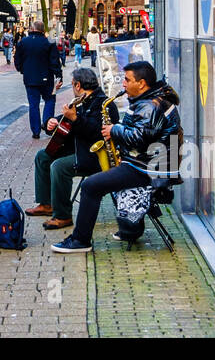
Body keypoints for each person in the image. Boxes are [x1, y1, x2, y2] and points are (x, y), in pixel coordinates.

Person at [53, 61, 180, 253]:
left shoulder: (151, 106)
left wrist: (115, 130)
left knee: (90, 186)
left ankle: (80, 240)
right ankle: (131, 229)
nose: (124, 84)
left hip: (149, 169)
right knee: (105, 181)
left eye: (128, 80)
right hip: (147, 163)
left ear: (142, 83)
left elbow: (138, 138)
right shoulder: (150, 100)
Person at [26, 68, 118, 230]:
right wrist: (50, 123)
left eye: (72, 84)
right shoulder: (81, 101)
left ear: (77, 85)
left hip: (95, 155)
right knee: (43, 156)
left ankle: (63, 216)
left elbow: (96, 132)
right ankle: (47, 204)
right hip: (79, 149)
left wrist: (75, 118)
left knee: (59, 166)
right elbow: (64, 122)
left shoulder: (104, 104)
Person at [15, 20, 63, 139]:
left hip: (30, 78)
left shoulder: (23, 42)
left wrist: (22, 70)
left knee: (33, 104)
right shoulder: (49, 42)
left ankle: (35, 131)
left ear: (31, 29)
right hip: (47, 78)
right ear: (43, 30)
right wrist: (59, 76)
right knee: (50, 100)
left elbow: (17, 60)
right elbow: (55, 61)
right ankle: (47, 126)